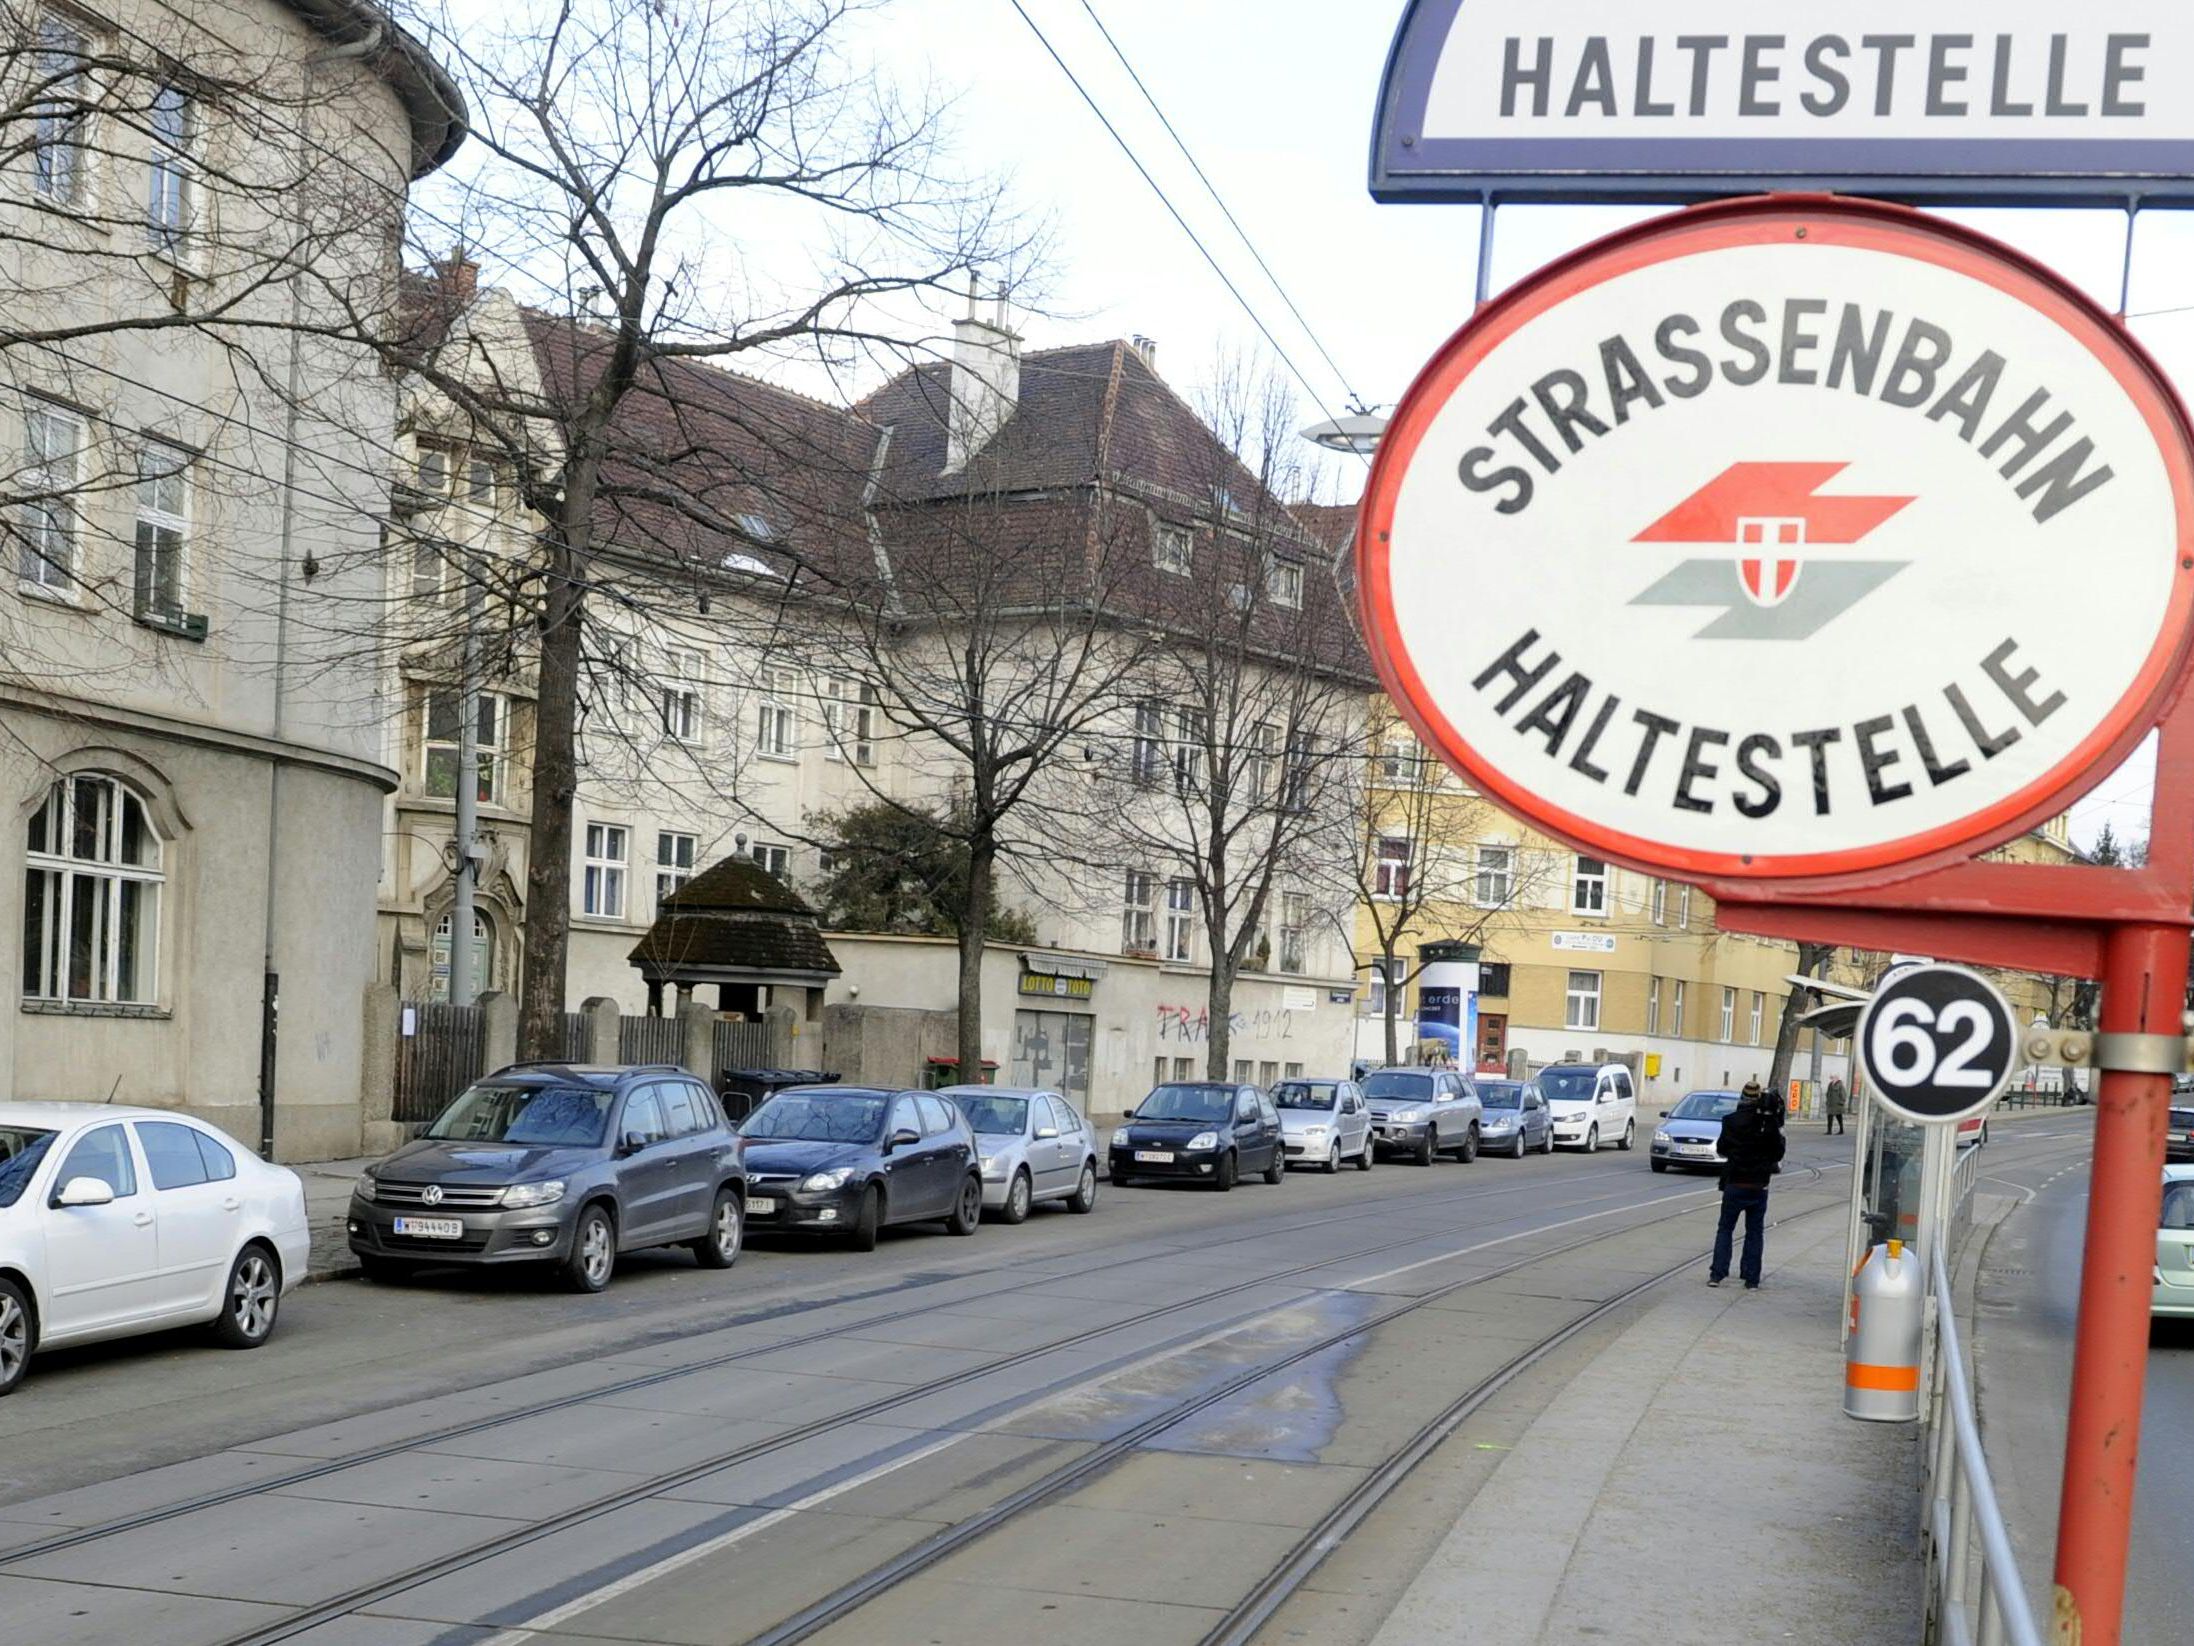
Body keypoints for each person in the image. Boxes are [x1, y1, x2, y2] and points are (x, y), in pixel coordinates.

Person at [1710, 1081, 1787, 1290]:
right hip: (1759, 1184)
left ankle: (1717, 1274)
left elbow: (1722, 1149)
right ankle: (1751, 1278)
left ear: (1742, 1098)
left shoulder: (1731, 1121)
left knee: (1725, 1228)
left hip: (1735, 1181)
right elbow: (1778, 1153)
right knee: (1755, 1232)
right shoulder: (1767, 1124)